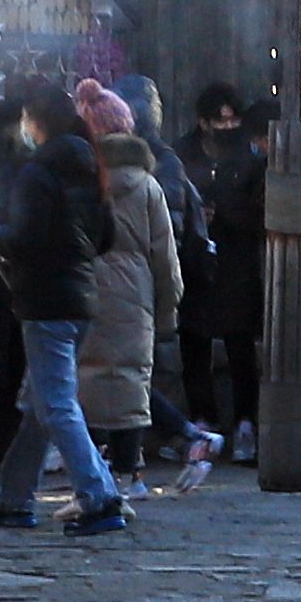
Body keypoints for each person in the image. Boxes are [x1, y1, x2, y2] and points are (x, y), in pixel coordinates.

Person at [0, 77, 130, 535]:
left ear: (37, 120)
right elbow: (105, 236)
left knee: (56, 404)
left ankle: (99, 495)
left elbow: (26, 238)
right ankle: (14, 497)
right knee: (39, 403)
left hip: (45, 300)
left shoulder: (38, 173)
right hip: (80, 297)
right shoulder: (88, 166)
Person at [77, 81, 197, 478]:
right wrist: (168, 308)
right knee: (130, 379)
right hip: (136, 293)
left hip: (87, 287)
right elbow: (165, 255)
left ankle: (91, 471)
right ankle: (130, 472)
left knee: (85, 379)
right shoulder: (148, 185)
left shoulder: (81, 181)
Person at [175, 85, 273, 438]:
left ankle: (246, 420)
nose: (229, 126)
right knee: (194, 344)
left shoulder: (251, 158)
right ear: (204, 122)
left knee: (239, 344)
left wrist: (224, 214)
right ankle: (203, 419)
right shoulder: (182, 154)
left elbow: (261, 211)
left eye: (234, 119)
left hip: (237, 261)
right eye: (221, 120)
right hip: (196, 263)